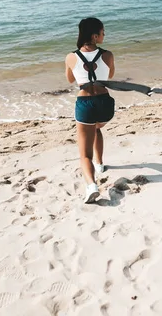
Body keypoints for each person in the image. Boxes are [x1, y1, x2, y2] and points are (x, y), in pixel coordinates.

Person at [65, 17, 115, 203]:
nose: (104, 35)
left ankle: (91, 186)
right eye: (103, 32)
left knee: (84, 154)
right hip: (105, 105)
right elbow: (110, 75)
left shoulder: (71, 57)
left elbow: (70, 79)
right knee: (97, 128)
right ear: (95, 36)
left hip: (85, 104)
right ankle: (100, 164)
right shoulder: (108, 54)